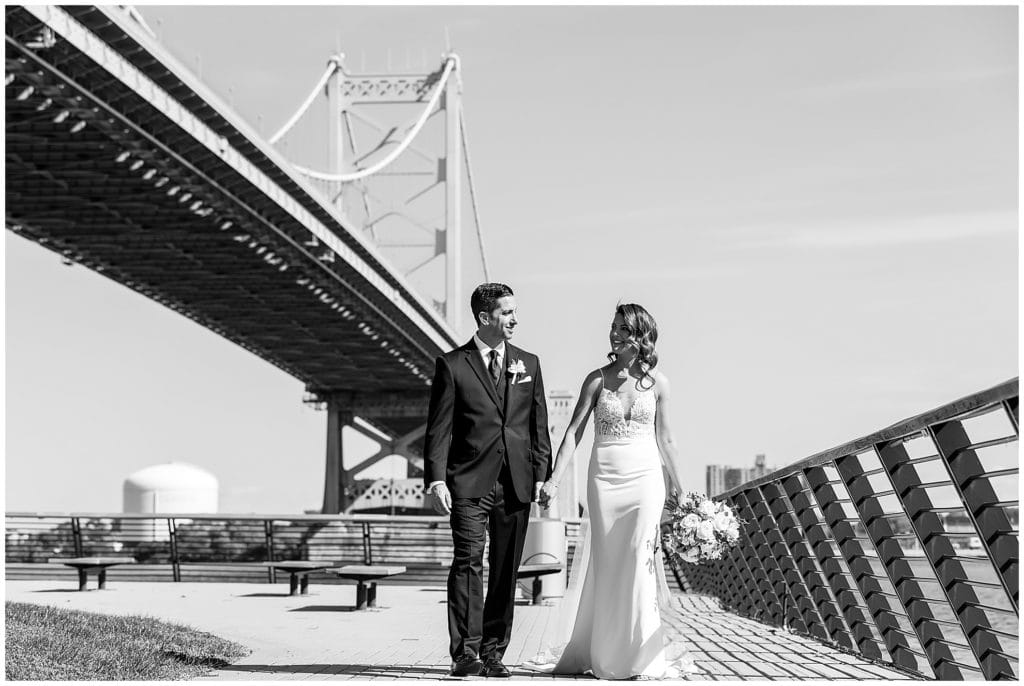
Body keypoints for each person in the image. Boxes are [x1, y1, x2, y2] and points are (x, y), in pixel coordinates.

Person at [531, 303, 696, 679]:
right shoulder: (596, 380)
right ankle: (605, 652)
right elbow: (573, 433)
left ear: (641, 335)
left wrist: (681, 491)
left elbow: (666, 439)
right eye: (613, 326)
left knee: (639, 558)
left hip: (645, 478)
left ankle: (640, 656)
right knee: (607, 564)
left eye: (623, 328)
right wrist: (555, 480)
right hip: (604, 478)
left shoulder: (659, 384)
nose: (614, 333)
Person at [423, 282, 553, 678]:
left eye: (515, 311)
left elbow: (538, 424)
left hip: (516, 481)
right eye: (506, 312)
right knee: (467, 562)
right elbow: (438, 429)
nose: (515, 319)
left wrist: (541, 474)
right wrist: (436, 480)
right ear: (484, 317)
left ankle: (494, 653)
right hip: (467, 482)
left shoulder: (528, 364)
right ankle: (466, 653)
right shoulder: (452, 365)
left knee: (504, 569)